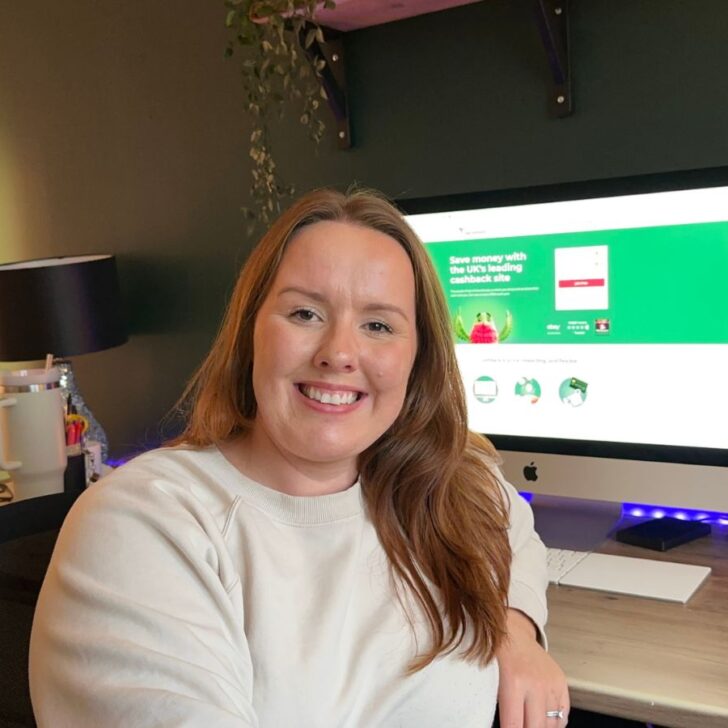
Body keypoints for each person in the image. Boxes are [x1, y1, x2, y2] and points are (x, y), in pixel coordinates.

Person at [29, 188, 569, 727]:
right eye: (305, 312)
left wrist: (515, 630)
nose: (338, 352)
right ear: (250, 333)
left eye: (378, 325)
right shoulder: (145, 521)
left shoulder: (448, 486)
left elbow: (513, 529)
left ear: (418, 357)